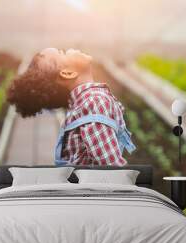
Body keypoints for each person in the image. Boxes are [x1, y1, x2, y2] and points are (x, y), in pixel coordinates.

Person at [7, 48, 136, 166]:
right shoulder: (94, 102)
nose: (69, 49)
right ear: (68, 73)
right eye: (62, 52)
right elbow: (111, 168)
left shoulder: (83, 104)